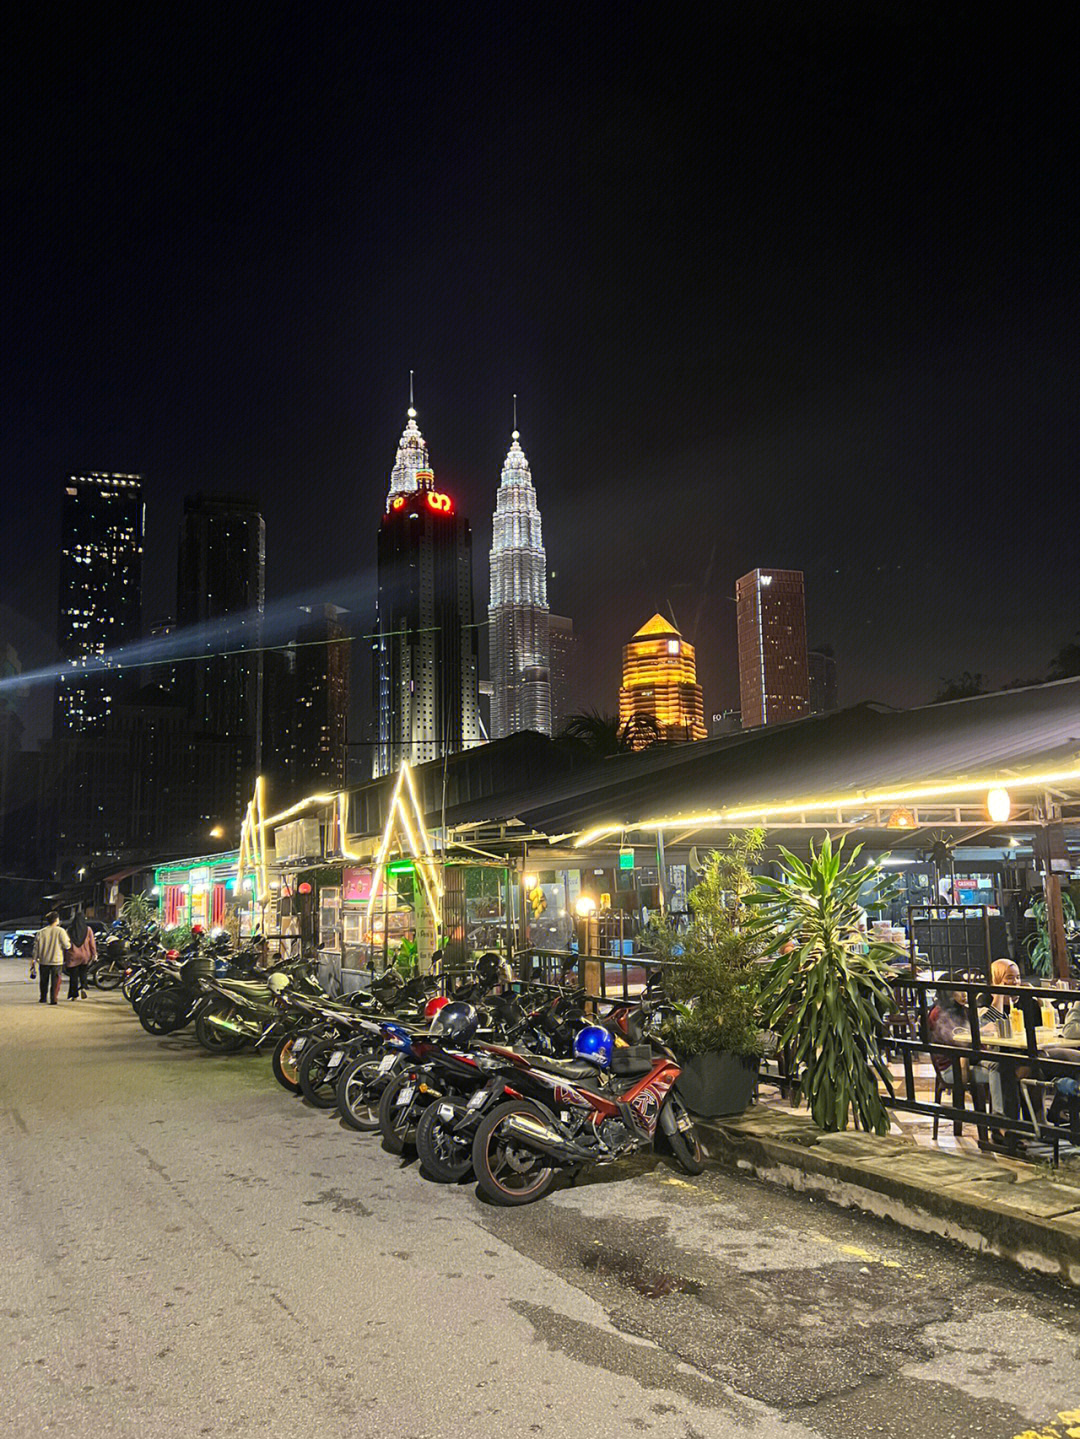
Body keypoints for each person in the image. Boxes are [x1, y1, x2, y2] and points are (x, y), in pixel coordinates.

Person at [31, 911, 71, 1005]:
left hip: (44, 960)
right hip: (56, 960)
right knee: (55, 981)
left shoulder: (41, 932)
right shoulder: (60, 931)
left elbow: (36, 948)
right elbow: (66, 945)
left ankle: (43, 997)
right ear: (57, 919)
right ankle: (53, 999)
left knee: (44, 980)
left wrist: (34, 959)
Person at [65, 909, 97, 999]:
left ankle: (73, 995)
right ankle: (83, 987)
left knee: (73, 976)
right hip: (85, 955)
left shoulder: (69, 930)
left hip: (73, 955)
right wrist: (94, 954)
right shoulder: (88, 929)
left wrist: (64, 956)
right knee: (83, 973)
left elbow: (66, 944)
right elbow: (92, 943)